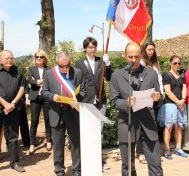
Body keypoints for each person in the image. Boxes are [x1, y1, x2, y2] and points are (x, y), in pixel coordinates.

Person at [110, 42, 163, 176]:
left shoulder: (151, 74)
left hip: (148, 123)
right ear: (124, 56)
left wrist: (157, 98)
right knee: (128, 167)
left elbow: (159, 96)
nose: (133, 60)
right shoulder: (117, 76)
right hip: (127, 123)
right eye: (130, 57)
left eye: (137, 57)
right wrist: (126, 103)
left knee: (156, 164)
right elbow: (113, 101)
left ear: (141, 56)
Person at [42, 51, 86, 176]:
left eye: (67, 66)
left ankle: (77, 170)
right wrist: (52, 96)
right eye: (62, 66)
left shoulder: (77, 72)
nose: (65, 69)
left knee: (75, 143)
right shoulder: (49, 74)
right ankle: (59, 170)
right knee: (57, 143)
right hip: (57, 112)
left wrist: (76, 97)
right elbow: (44, 92)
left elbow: (83, 91)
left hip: (73, 112)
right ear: (57, 64)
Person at [0, 50, 26, 176]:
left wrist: (12, 103)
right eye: (6, 58)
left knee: (13, 137)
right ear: (0, 60)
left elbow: (22, 88)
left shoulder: (18, 72)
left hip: (13, 108)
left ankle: (14, 162)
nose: (9, 60)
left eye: (11, 58)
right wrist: (5, 103)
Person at [74, 37, 112, 170]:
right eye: (90, 47)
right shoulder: (79, 63)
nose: (92, 49)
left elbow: (109, 77)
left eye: (94, 47)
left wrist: (107, 65)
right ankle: (86, 160)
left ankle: (98, 160)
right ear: (85, 48)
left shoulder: (101, 61)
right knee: (87, 131)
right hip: (86, 102)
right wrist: (82, 95)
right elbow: (77, 81)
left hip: (100, 101)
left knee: (99, 131)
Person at [136, 41, 163, 164]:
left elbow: (160, 80)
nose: (151, 51)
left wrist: (160, 94)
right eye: (149, 49)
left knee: (152, 126)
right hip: (144, 97)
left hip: (156, 97)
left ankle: (151, 153)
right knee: (142, 127)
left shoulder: (155, 63)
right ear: (144, 50)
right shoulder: (141, 62)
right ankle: (141, 152)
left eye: (153, 49)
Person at [158, 55, 188, 160]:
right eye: (175, 63)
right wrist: (178, 102)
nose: (177, 65)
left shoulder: (182, 75)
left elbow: (184, 88)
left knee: (179, 126)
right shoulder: (166, 75)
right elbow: (168, 91)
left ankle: (178, 148)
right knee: (169, 126)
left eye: (179, 63)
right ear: (170, 63)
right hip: (170, 104)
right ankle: (167, 149)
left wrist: (183, 100)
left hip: (181, 103)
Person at [28, 50, 52, 154]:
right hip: (35, 97)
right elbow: (30, 81)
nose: (39, 58)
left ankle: (48, 140)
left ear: (44, 58)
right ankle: (32, 143)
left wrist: (37, 81)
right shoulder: (31, 69)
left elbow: (50, 82)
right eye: (37, 57)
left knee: (47, 119)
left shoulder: (49, 70)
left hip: (46, 97)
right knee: (34, 121)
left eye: (41, 57)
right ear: (35, 58)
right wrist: (40, 81)